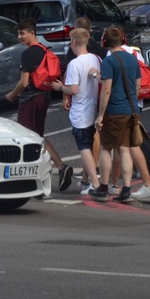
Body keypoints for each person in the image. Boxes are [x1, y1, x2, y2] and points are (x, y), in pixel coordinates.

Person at [6, 18, 73, 191]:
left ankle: (30, 178)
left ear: (32, 33)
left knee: (26, 138)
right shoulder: (44, 50)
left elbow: (23, 82)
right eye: (18, 34)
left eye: (22, 33)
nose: (19, 37)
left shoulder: (28, 54)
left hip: (30, 98)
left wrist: (12, 96)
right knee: (38, 136)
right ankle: (60, 167)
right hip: (44, 96)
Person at [89, 26, 150, 200]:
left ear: (104, 42)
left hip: (114, 111)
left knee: (107, 148)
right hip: (130, 111)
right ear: (123, 40)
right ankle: (126, 190)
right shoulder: (132, 59)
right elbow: (138, 86)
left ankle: (103, 187)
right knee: (125, 150)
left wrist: (100, 115)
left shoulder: (109, 61)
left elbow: (106, 89)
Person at [50, 28, 101, 194]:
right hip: (94, 107)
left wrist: (60, 87)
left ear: (73, 42)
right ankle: (86, 181)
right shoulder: (96, 58)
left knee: (84, 147)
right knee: (89, 141)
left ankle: (95, 183)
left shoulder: (74, 64)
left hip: (81, 110)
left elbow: (73, 89)